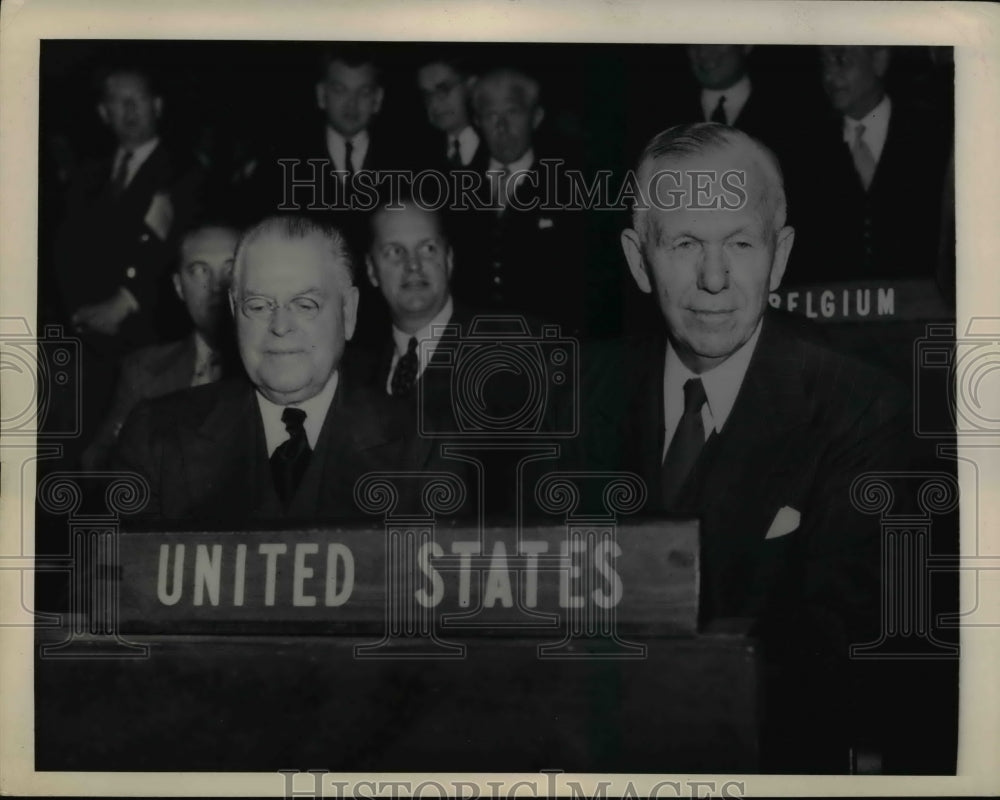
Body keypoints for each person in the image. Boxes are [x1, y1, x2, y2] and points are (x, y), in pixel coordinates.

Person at [568, 122, 913, 771]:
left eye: (741, 243)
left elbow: (843, 657)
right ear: (639, 260)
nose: (715, 278)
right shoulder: (575, 396)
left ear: (779, 256)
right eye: (686, 243)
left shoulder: (861, 410)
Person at [113, 216, 431, 523]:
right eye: (259, 306)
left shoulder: (423, 452)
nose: (280, 326)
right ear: (235, 313)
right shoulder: (157, 440)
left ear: (348, 312)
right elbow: (110, 574)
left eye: (305, 304)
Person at [50, 65, 204, 458]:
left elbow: (175, 253)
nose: (129, 110)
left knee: (144, 456)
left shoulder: (187, 173)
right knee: (81, 455)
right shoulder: (88, 178)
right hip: (86, 342)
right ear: (103, 113)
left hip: (150, 342)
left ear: (157, 106)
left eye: (137, 100)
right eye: (117, 102)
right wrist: (78, 314)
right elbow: (64, 252)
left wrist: (124, 301)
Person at [82, 223, 240, 470]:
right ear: (179, 287)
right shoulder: (143, 371)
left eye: (232, 269)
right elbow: (97, 465)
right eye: (200, 271)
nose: (217, 286)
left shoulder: (281, 368)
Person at [788, 45, 951, 282]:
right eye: (824, 64)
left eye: (841, 60)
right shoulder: (806, 149)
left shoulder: (932, 137)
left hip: (919, 306)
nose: (828, 76)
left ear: (879, 60)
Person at [452, 67, 585, 335]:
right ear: (477, 121)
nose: (502, 127)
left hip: (548, 346)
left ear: (536, 117)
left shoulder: (568, 186)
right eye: (491, 115)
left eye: (513, 112)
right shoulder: (457, 189)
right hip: (475, 345)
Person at [415, 56, 487, 172]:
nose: (434, 104)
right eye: (427, 95)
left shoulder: (496, 146)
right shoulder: (419, 155)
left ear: (470, 86)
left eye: (444, 90)